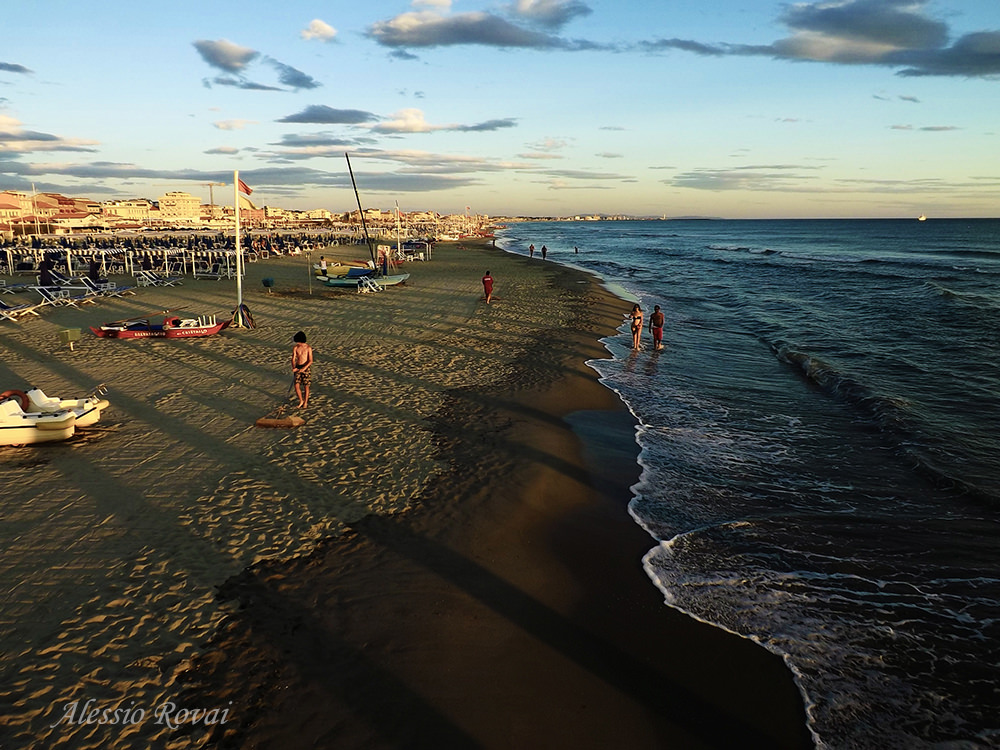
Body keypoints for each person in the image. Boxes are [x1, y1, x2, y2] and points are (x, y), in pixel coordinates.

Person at [291, 331, 314, 409]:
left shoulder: (308, 348)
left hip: (306, 368)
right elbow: (293, 359)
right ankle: (301, 400)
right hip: (298, 367)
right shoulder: (296, 347)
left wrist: (304, 368)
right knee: (296, 385)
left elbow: (310, 360)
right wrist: (294, 367)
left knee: (306, 386)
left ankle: (305, 402)